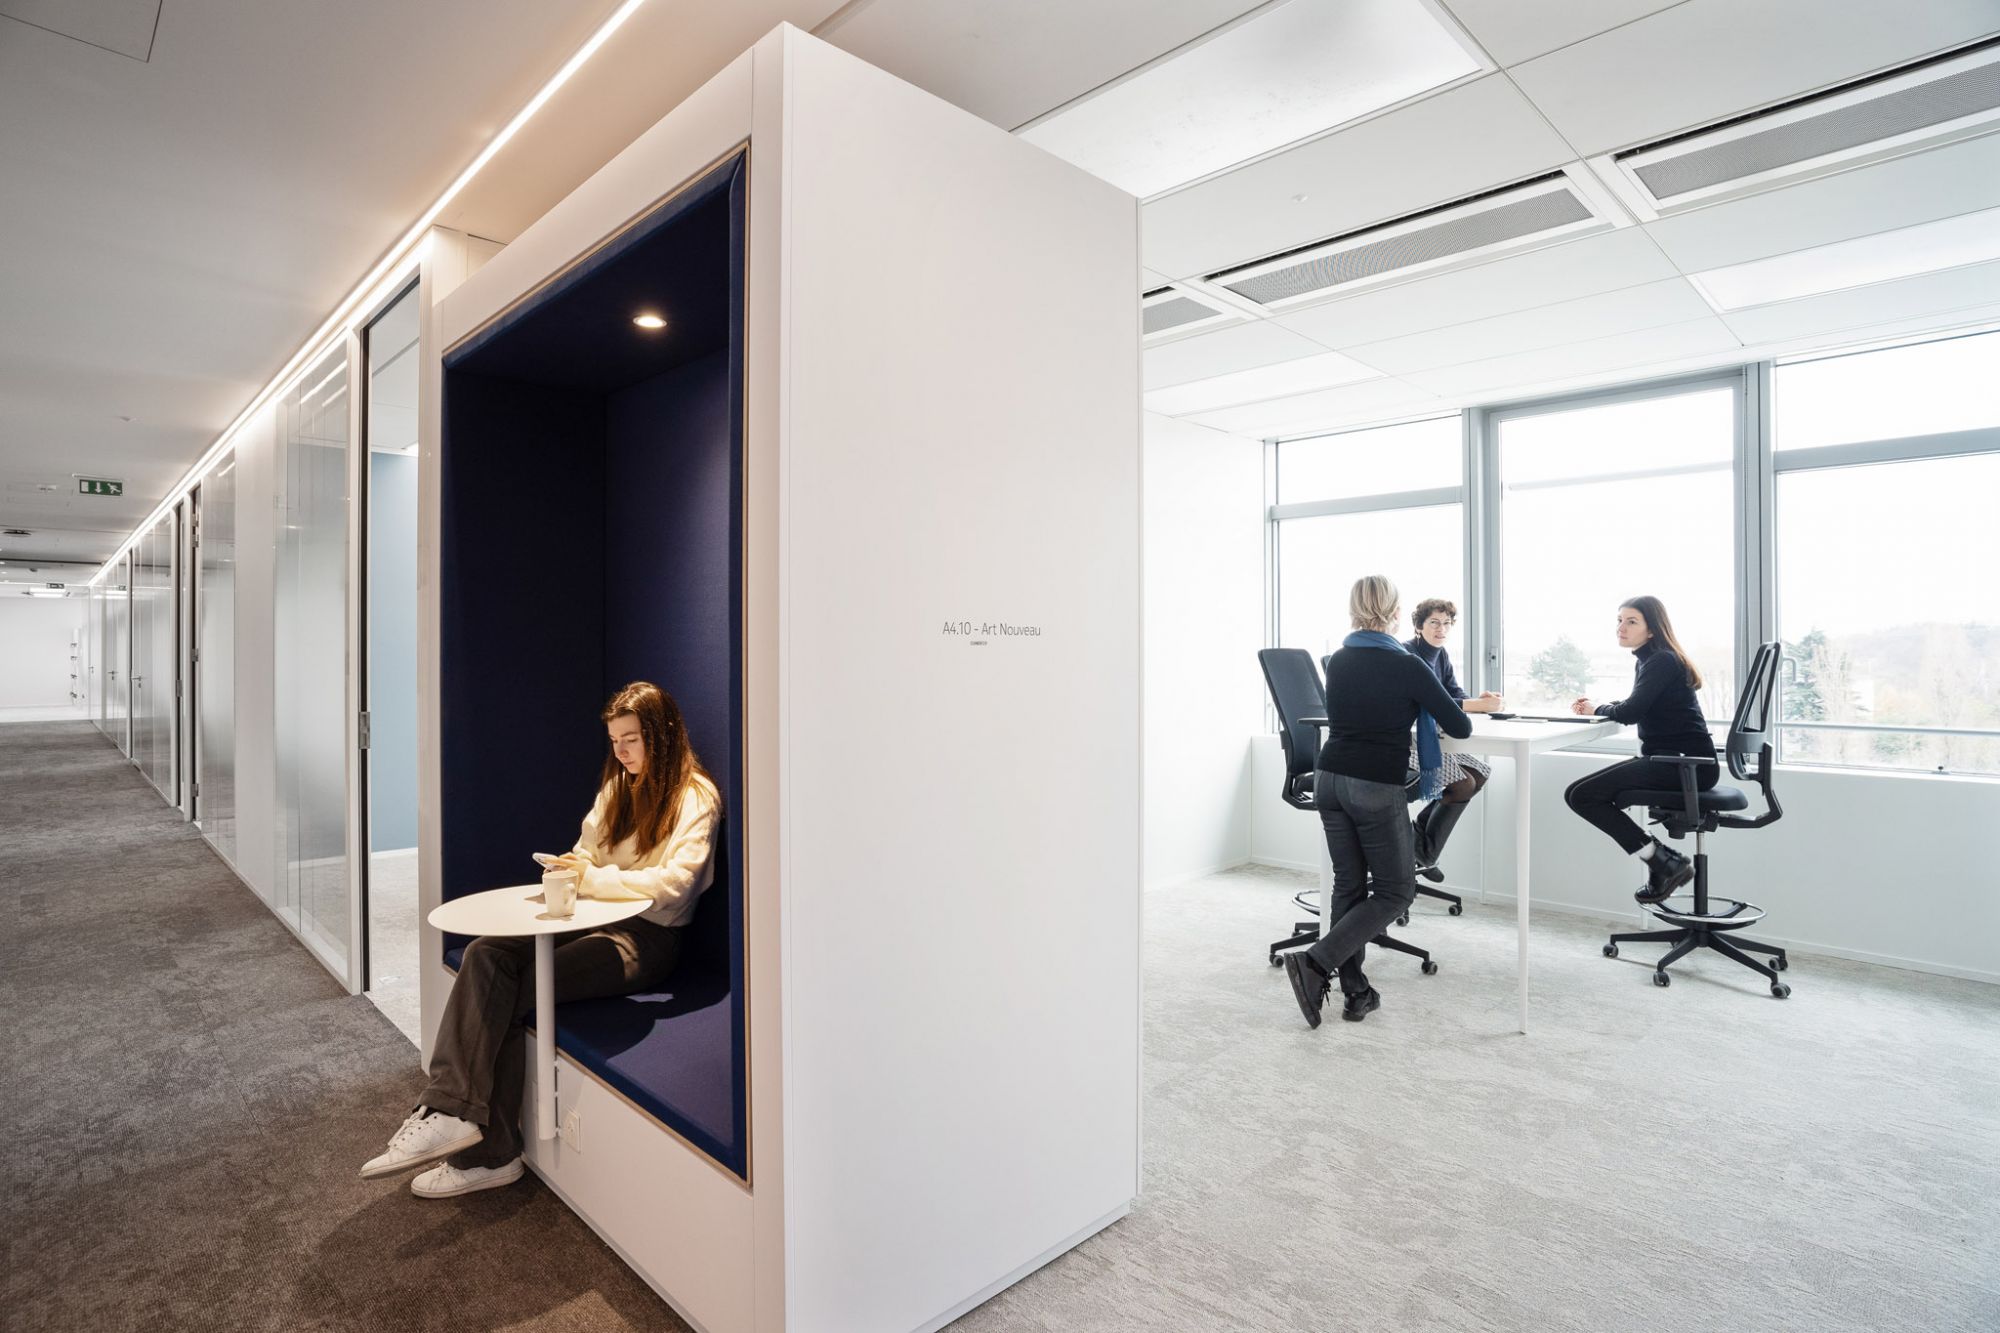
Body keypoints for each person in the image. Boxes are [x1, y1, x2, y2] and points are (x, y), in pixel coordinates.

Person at [361, 681, 721, 1197]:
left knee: (508, 989)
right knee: (485, 952)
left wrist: (592, 878)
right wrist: (575, 869)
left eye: (632, 739)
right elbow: (586, 852)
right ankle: (451, 1112)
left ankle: (486, 1150)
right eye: (614, 741)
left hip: (648, 939)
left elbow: (674, 886)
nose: (621, 752)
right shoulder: (619, 788)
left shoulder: (695, 797)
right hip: (590, 918)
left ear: (662, 736)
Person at [1284, 575, 1471, 1030]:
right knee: (1396, 891)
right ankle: (1314, 962)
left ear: (1354, 609)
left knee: (1348, 886)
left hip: (1329, 779)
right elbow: (1460, 727)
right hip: (1372, 785)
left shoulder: (1340, 659)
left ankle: (1356, 993)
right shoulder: (1408, 664)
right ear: (1395, 612)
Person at [1562, 596, 1715, 905]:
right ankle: (1663, 861)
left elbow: (1631, 713)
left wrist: (1596, 708)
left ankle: (1664, 862)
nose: (1621, 627)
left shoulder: (1661, 660)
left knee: (1581, 796)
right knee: (1578, 793)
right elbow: (1640, 703)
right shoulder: (1653, 659)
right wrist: (1604, 706)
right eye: (1619, 620)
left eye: (1631, 622)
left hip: (1683, 765)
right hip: (1676, 762)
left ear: (1652, 629)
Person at [1402, 597, 1501, 874]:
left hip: (1431, 740)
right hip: (1408, 742)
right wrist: (1474, 705)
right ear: (1419, 626)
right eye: (1434, 622)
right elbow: (1429, 702)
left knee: (1479, 774)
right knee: (1463, 783)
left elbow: (1452, 693)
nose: (1441, 629)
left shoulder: (1441, 655)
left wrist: (1479, 700)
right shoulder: (1407, 655)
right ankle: (1425, 854)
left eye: (1446, 623)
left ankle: (1421, 846)